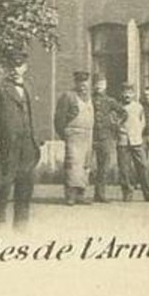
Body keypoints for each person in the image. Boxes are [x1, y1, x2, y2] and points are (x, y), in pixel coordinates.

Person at [0, 59, 41, 230]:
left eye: (19, 66)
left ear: (25, 67)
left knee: (25, 185)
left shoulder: (29, 88)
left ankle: (21, 225)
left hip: (28, 145)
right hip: (8, 144)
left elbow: (33, 115)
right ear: (7, 68)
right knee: (4, 184)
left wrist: (37, 138)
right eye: (12, 66)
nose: (16, 69)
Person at [53, 70, 95, 205]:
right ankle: (70, 195)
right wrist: (63, 134)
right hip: (73, 134)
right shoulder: (68, 96)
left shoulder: (89, 98)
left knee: (85, 165)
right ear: (75, 82)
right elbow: (59, 118)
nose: (82, 85)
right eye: (79, 82)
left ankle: (81, 194)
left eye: (85, 82)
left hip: (88, 134)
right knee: (73, 164)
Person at [116, 82, 149, 202]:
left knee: (143, 167)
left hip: (137, 141)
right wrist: (120, 129)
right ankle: (127, 192)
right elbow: (114, 122)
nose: (127, 95)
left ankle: (148, 193)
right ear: (121, 94)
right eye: (125, 93)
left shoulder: (139, 107)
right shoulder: (118, 106)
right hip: (123, 141)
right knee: (124, 169)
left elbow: (143, 122)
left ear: (134, 94)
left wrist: (138, 132)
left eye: (130, 93)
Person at [89, 74, 123, 204]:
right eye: (97, 84)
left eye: (102, 84)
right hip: (90, 136)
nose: (99, 86)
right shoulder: (88, 100)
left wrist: (116, 124)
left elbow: (123, 113)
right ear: (93, 85)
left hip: (105, 138)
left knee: (104, 167)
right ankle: (78, 194)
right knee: (86, 166)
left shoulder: (110, 101)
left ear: (105, 85)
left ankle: (100, 194)